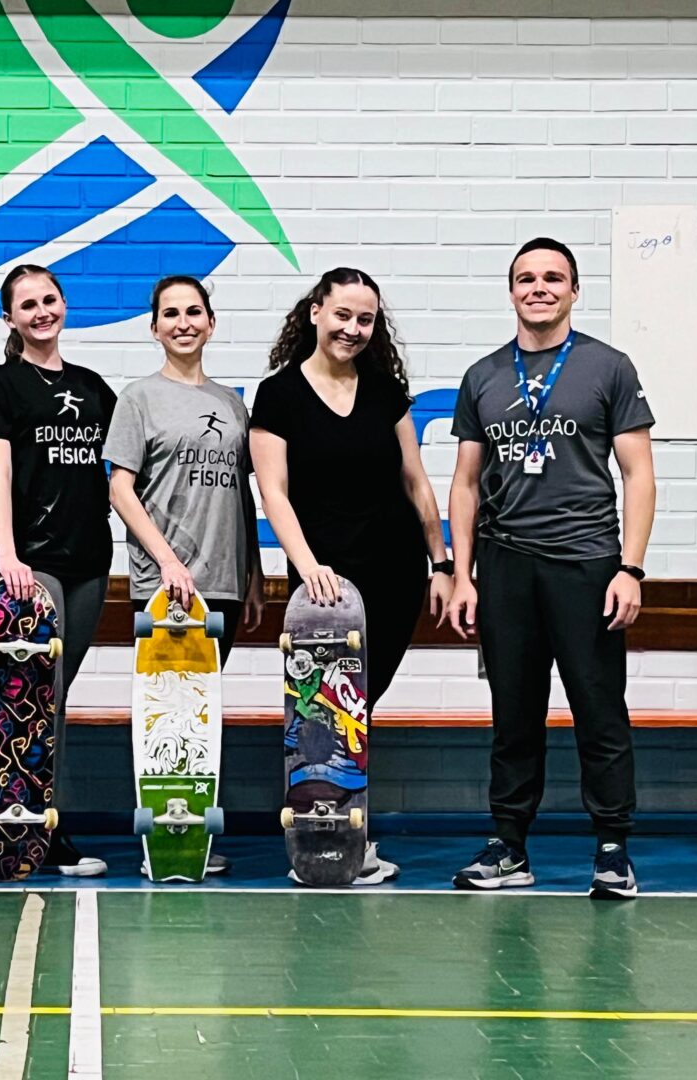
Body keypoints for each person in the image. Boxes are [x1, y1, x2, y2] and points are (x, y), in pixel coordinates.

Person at [445, 237, 656, 901]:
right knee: (513, 715)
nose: (539, 288)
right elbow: (465, 483)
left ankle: (613, 848)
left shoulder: (608, 367)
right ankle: (509, 846)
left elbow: (639, 474)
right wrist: (462, 575)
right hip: (505, 565)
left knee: (599, 710)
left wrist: (631, 569)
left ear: (574, 290)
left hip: (587, 565)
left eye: (553, 278)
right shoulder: (483, 376)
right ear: (511, 291)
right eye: (527, 278)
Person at [250, 267, 453, 887]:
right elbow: (273, 492)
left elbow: (415, 481)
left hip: (394, 572)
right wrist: (307, 566)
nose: (353, 329)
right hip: (326, 586)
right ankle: (326, 838)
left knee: (355, 715)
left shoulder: (386, 391)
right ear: (315, 311)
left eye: (365, 319)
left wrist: (442, 562)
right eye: (342, 315)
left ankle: (345, 834)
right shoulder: (279, 394)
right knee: (327, 715)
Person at [103, 275, 265, 878]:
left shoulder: (233, 405)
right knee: (165, 716)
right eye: (170, 314)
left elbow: (243, 495)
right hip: (164, 585)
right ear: (154, 328)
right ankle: (162, 842)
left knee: (198, 717)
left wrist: (254, 571)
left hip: (221, 581)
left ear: (211, 323)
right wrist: (168, 560)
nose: (183, 323)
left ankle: (189, 837)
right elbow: (120, 489)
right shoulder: (138, 398)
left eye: (194, 312)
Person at [0, 264, 115, 878]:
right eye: (26, 305)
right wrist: (8, 555)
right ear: (9, 318)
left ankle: (35, 825)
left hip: (91, 560)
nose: (41, 312)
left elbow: (124, 474)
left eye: (49, 300)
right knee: (33, 697)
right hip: (33, 562)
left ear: (64, 305)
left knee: (53, 697)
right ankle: (19, 829)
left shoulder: (93, 387)